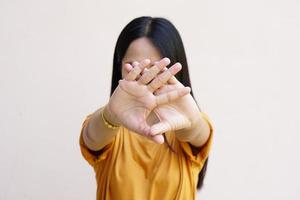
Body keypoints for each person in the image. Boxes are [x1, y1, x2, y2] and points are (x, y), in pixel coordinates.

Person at [79, 16, 214, 200]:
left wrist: (192, 121)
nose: (147, 76)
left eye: (157, 67)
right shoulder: (108, 123)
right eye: (134, 66)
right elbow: (92, 138)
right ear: (119, 66)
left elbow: (198, 133)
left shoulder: (185, 125)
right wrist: (111, 114)